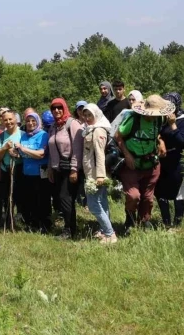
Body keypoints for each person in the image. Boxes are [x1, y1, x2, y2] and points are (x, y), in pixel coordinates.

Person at [116, 94, 173, 232]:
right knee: (133, 196)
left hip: (151, 163)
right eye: (152, 114)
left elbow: (157, 134)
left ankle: (144, 220)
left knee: (148, 197)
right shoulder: (133, 119)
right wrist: (127, 155)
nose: (154, 116)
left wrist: (161, 142)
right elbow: (118, 136)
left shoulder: (158, 120)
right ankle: (130, 219)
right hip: (132, 164)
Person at [47, 98, 85, 239]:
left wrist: (75, 169)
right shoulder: (53, 127)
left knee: (66, 198)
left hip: (70, 169)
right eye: (54, 108)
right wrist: (50, 168)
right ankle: (70, 228)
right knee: (62, 199)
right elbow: (51, 150)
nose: (56, 110)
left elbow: (77, 148)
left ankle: (69, 230)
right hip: (58, 169)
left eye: (59, 108)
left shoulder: (72, 124)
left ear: (64, 108)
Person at [156, 93, 184, 227]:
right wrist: (160, 141)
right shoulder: (163, 120)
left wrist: (173, 125)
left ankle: (177, 224)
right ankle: (166, 222)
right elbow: (158, 133)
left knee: (179, 194)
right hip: (164, 161)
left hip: (179, 162)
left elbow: (181, 141)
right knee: (160, 192)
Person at [81, 104, 117, 244]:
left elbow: (100, 154)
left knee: (93, 205)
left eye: (90, 115)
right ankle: (104, 230)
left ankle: (110, 234)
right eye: (85, 115)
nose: (87, 118)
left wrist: (100, 176)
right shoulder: (90, 129)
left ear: (97, 115)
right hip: (93, 173)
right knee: (102, 202)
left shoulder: (98, 131)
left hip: (96, 175)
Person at [15, 112, 50, 233]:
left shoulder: (43, 135)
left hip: (40, 174)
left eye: (33, 121)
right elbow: (21, 154)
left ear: (38, 121)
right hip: (27, 173)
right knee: (30, 200)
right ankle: (33, 224)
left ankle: (45, 225)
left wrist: (23, 148)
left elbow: (40, 154)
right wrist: (15, 153)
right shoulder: (24, 136)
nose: (30, 123)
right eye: (28, 121)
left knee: (42, 200)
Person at [0, 111, 23, 231]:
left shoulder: (23, 134)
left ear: (15, 119)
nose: (8, 122)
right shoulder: (1, 136)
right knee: (6, 197)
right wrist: (5, 148)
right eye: (5, 120)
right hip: (6, 169)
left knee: (19, 197)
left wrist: (18, 154)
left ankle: (21, 220)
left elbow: (27, 152)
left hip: (20, 170)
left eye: (10, 119)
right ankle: (8, 221)